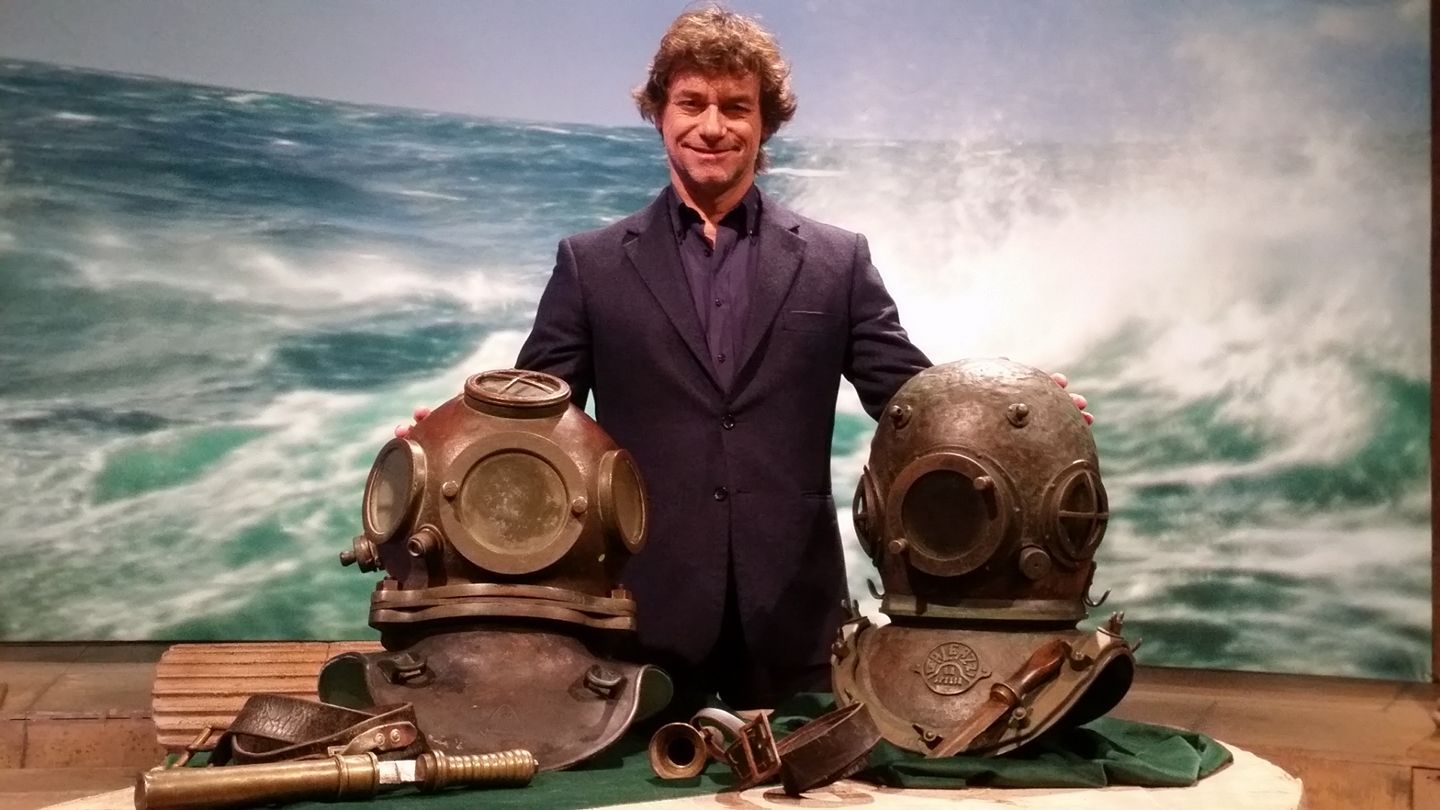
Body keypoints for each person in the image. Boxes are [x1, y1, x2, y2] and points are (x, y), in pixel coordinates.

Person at [403, 7, 1089, 710]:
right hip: (640, 612)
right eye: (692, 103)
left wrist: (1021, 421)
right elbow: (538, 424)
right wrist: (450, 443)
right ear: (660, 114)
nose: (712, 126)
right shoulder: (590, 265)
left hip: (798, 613)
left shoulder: (837, 261)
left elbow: (911, 403)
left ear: (765, 124)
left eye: (736, 107)